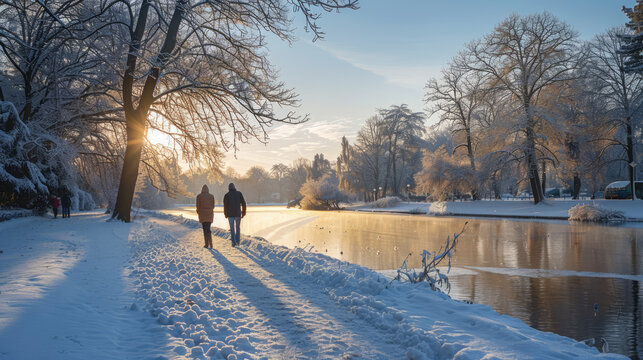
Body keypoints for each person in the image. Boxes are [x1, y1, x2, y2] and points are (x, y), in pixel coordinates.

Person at [223, 183, 246, 247]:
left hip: (230, 215)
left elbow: (225, 206)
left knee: (232, 228)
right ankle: (238, 242)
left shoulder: (227, 195)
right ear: (234, 187)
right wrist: (243, 212)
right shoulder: (239, 194)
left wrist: (225, 214)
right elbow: (244, 203)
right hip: (238, 214)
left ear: (229, 188)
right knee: (238, 228)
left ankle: (233, 242)